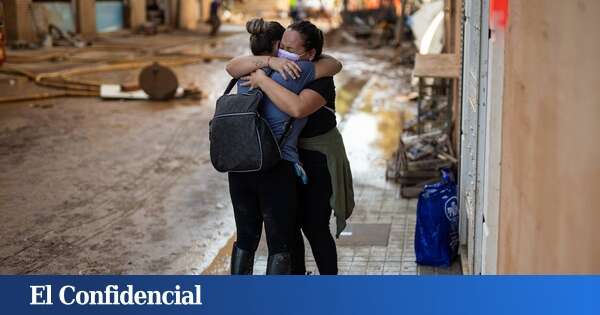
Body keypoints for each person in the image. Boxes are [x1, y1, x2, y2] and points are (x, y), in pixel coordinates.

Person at [231, 21, 355, 275]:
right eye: (281, 47)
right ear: (274, 48)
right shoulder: (285, 68)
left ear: (309, 53)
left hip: (309, 159)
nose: (284, 53)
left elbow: (300, 105)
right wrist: (269, 63)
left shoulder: (307, 74)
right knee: (285, 235)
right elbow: (233, 66)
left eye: (290, 48)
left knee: (312, 226)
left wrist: (263, 77)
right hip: (279, 163)